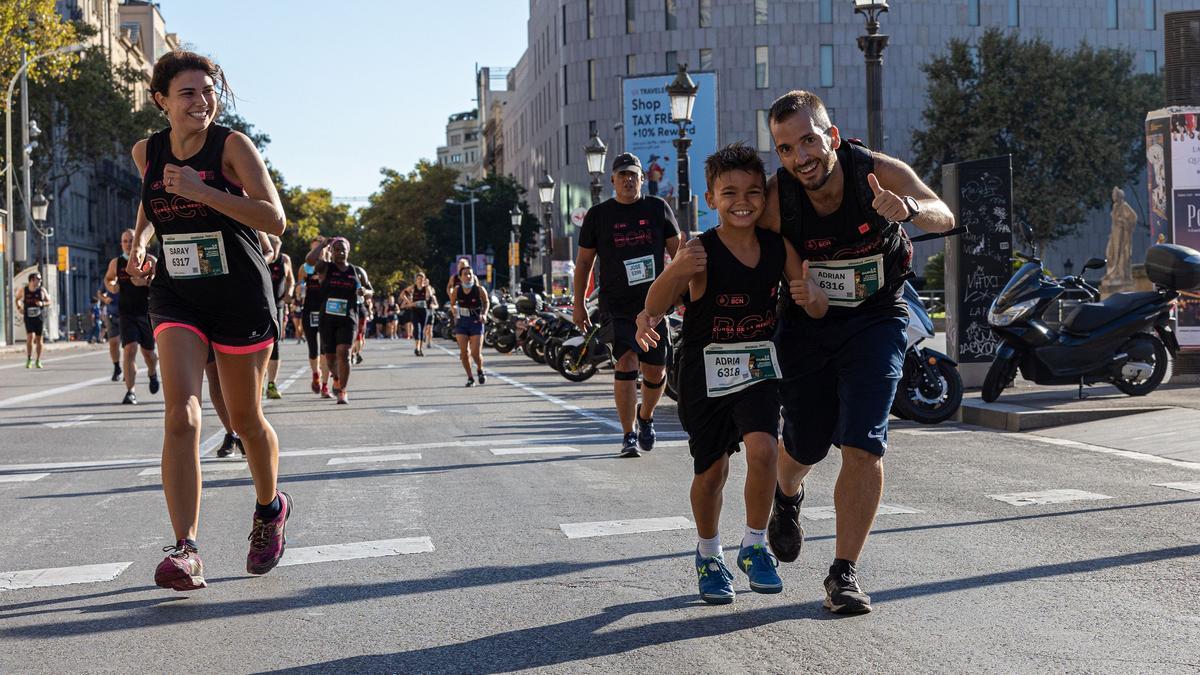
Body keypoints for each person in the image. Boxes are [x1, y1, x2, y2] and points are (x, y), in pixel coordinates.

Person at [759, 90, 954, 614]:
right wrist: (799, 284)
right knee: (806, 445)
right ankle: (787, 497)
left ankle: (843, 573)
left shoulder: (874, 171)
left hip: (876, 317)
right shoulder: (779, 199)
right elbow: (757, 247)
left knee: (865, 443)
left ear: (832, 137)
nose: (801, 157)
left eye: (808, 140)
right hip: (807, 324)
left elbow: (945, 215)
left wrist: (909, 208)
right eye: (785, 148)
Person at [128, 50, 292, 592]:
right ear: (161, 102)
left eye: (208, 90)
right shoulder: (145, 151)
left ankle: (270, 509)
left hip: (239, 294)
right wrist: (142, 248)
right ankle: (186, 550)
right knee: (181, 414)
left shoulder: (232, 146)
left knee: (244, 420)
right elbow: (151, 207)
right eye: (188, 93)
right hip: (177, 295)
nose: (201, 101)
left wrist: (206, 191)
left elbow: (275, 218)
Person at [637, 143, 826, 605]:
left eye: (753, 192)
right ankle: (708, 553)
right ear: (710, 199)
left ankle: (754, 545)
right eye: (730, 192)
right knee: (712, 473)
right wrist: (675, 271)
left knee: (764, 450)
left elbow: (815, 303)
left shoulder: (777, 248)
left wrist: (812, 296)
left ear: (764, 197)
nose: (743, 201)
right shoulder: (699, 250)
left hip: (757, 366)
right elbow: (656, 304)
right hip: (703, 374)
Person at [573, 152, 681, 458]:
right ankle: (628, 433)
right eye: (622, 175)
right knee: (626, 363)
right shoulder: (599, 215)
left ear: (642, 179)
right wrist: (578, 304)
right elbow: (583, 263)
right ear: (613, 181)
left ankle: (645, 416)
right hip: (616, 305)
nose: (628, 180)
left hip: (655, 304)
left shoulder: (657, 208)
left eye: (633, 174)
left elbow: (680, 254)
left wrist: (684, 292)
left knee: (656, 370)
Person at [307, 236, 372, 404]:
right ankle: (335, 378)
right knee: (330, 358)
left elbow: (370, 290)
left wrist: (364, 292)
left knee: (344, 353)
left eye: (343, 249)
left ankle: (343, 390)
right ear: (331, 252)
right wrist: (323, 244)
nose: (340, 252)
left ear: (349, 251)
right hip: (327, 320)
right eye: (337, 249)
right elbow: (309, 260)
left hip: (348, 318)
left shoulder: (356, 271)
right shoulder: (325, 267)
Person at [105, 229, 160, 405]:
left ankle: (152, 373)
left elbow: (163, 284)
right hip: (126, 313)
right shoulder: (117, 262)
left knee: (149, 354)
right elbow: (108, 279)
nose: (128, 244)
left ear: (140, 242)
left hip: (146, 313)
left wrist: (145, 282)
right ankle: (131, 392)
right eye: (125, 241)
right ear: (121, 244)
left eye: (131, 240)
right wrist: (112, 286)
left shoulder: (149, 261)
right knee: (129, 350)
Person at [296, 236, 330, 396]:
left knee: (325, 348)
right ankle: (316, 373)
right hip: (310, 309)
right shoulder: (306, 268)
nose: (316, 252)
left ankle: (325, 385)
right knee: (313, 348)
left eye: (319, 249)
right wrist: (298, 290)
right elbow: (300, 285)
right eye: (313, 249)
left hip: (326, 310)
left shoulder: (331, 266)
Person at [264, 233, 295, 400]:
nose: (274, 252)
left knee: (275, 344)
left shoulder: (285, 260)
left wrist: (289, 293)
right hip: (260, 304)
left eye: (277, 247)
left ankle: (271, 384)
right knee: (259, 343)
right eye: (271, 246)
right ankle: (259, 382)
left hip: (278, 305)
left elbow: (291, 280)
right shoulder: (260, 255)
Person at [449, 265, 488, 385]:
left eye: (470, 274)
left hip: (476, 321)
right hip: (462, 322)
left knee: (475, 352)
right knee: (464, 353)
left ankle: (480, 370)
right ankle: (470, 378)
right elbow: (452, 304)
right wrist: (454, 309)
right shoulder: (457, 290)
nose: (468, 276)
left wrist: (484, 314)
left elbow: (486, 302)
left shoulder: (479, 289)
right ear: (460, 277)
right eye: (465, 274)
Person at [15, 273, 50, 368]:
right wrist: (19, 307)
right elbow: (17, 298)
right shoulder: (24, 290)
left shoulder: (42, 290)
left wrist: (42, 303)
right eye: (38, 279)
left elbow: (49, 301)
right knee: (30, 337)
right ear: (31, 280)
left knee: (39, 339)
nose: (40, 281)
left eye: (40, 279)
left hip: (39, 317)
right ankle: (29, 359)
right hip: (28, 317)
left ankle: (38, 360)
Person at [403, 272, 436, 356]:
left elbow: (430, 296)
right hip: (415, 310)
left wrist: (427, 286)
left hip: (424, 311)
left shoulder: (426, 288)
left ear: (424, 280)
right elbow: (402, 294)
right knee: (417, 329)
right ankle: (417, 348)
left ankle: (420, 349)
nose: (420, 280)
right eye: (418, 279)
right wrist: (409, 302)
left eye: (421, 279)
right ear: (416, 280)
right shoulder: (413, 287)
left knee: (422, 330)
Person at [100, 288, 122, 380]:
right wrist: (104, 299)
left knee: (129, 347)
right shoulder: (109, 277)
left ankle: (128, 369)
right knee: (113, 343)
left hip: (128, 315)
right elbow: (99, 293)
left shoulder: (132, 274)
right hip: (111, 316)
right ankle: (117, 367)